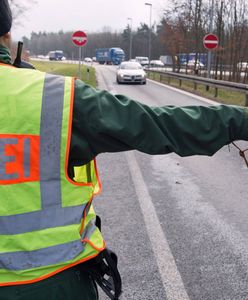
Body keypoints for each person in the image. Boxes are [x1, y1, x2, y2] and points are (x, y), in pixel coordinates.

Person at [1, 1, 248, 299]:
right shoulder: (53, 99)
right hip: (48, 285)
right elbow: (157, 124)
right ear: (7, 34)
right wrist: (239, 121)